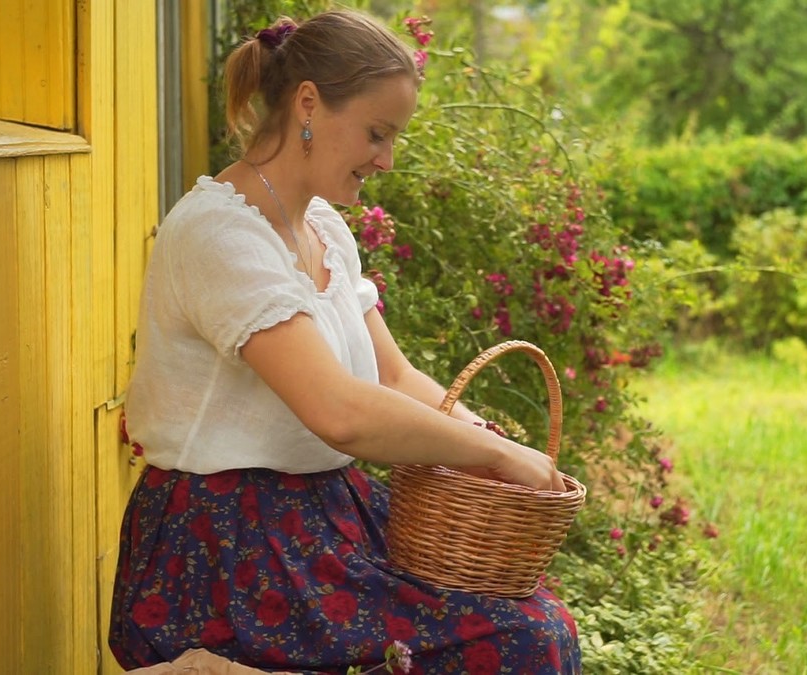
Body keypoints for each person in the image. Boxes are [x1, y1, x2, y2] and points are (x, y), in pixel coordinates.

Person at [108, 9, 581, 674]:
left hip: (322, 516)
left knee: (538, 622)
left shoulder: (323, 229)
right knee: (521, 639)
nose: (386, 159)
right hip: (228, 546)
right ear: (308, 104)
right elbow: (339, 410)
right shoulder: (221, 237)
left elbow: (390, 377)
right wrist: (499, 458)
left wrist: (498, 443)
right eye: (377, 133)